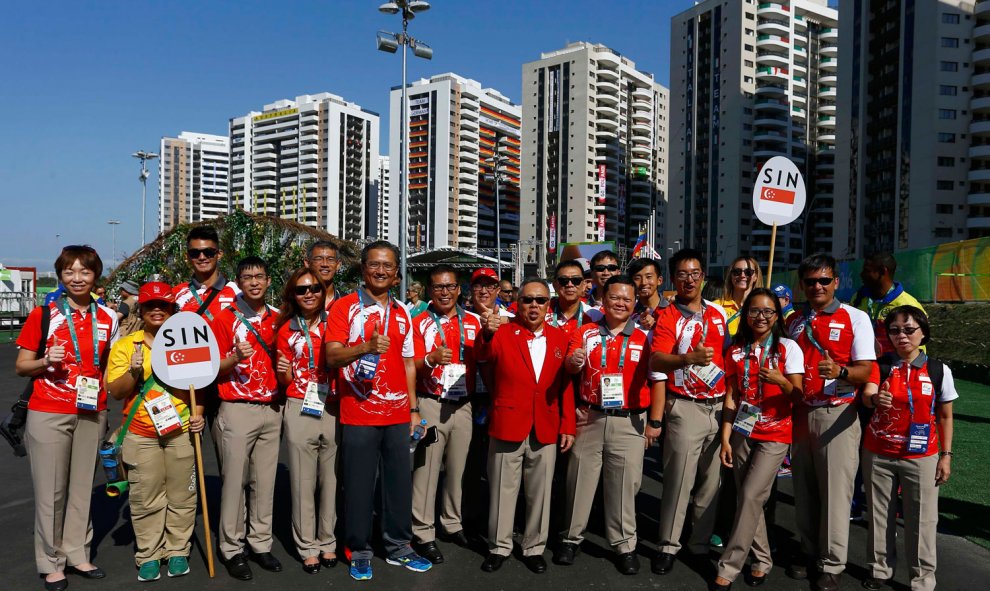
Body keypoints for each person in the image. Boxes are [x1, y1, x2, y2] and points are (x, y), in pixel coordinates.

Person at [326, 241, 432, 581]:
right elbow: (331, 356)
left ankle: (399, 545)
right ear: (363, 268)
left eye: (388, 265)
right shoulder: (344, 308)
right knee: (357, 486)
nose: (381, 271)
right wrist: (365, 348)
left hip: (399, 414)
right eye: (374, 264)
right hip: (358, 411)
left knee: (398, 485)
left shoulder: (403, 312)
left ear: (397, 271)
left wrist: (414, 409)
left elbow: (408, 364)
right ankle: (358, 548)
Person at [15, 245, 119, 591]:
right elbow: (21, 366)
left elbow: (104, 366)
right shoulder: (44, 314)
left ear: (95, 276)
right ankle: (50, 561)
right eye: (70, 271)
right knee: (51, 491)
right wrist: (46, 360)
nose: (78, 278)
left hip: (91, 411)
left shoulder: (108, 317)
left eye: (85, 272)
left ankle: (78, 553)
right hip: (48, 410)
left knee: (80, 490)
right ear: (61, 274)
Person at [557, 276, 666, 574]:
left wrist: (654, 423)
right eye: (614, 298)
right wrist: (574, 361)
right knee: (579, 481)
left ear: (634, 304)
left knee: (624, 486)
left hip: (629, 421)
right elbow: (569, 367)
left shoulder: (646, 338)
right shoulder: (586, 332)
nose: (620, 303)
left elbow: (658, 382)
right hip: (589, 418)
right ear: (603, 302)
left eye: (626, 299)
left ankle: (624, 545)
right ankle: (570, 538)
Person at [105, 282, 205, 582]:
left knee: (183, 495)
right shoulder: (127, 345)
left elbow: (199, 383)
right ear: (142, 309)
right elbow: (115, 391)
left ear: (173, 309)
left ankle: (177, 550)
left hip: (180, 431)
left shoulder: (187, 341)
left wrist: (198, 414)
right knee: (145, 496)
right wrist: (133, 371)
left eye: (164, 304)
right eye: (150, 305)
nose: (157, 310)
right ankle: (149, 553)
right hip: (140, 432)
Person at [787, 253, 876, 591]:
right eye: (810, 281)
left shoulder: (855, 318)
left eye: (824, 280)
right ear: (802, 284)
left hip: (837, 413)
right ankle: (808, 550)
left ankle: (832, 563)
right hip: (799, 413)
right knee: (804, 490)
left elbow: (866, 369)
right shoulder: (794, 319)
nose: (818, 286)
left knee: (836, 493)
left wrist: (840, 371)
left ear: (836, 282)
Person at [476, 278, 576, 574]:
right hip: (508, 422)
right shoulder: (502, 332)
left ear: (549, 304)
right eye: (528, 300)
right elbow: (482, 355)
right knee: (502, 491)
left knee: (540, 492)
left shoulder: (560, 338)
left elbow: (565, 387)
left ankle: (534, 547)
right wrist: (485, 332)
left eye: (541, 300)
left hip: (545, 425)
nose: (534, 305)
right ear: (517, 303)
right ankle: (499, 545)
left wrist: (568, 425)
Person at [713, 288, 804, 590]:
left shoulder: (788, 348)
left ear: (777, 316)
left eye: (768, 311)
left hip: (776, 433)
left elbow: (800, 395)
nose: (761, 317)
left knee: (752, 496)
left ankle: (730, 565)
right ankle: (763, 559)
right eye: (754, 311)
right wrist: (725, 438)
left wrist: (781, 380)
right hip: (742, 429)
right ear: (745, 314)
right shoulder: (735, 351)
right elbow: (731, 396)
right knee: (748, 500)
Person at [860, 306, 955, 591]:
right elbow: (867, 395)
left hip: (922, 456)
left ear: (923, 333)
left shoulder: (939, 370)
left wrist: (946, 457)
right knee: (879, 515)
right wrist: (876, 399)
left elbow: (945, 416)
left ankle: (922, 579)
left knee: (922, 519)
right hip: (879, 452)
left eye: (909, 329)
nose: (902, 336)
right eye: (895, 330)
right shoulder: (881, 365)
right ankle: (879, 570)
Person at [648, 248, 729, 576]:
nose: (690, 279)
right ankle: (668, 544)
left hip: (719, 406)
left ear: (704, 276)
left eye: (695, 273)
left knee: (711, 485)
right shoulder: (668, 316)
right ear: (673, 278)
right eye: (682, 274)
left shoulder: (718, 314)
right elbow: (656, 360)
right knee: (679, 482)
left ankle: (697, 544)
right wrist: (686, 360)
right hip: (685, 407)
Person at [212, 256, 283, 581]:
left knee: (264, 482)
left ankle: (260, 542)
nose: (254, 282)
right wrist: (233, 358)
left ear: (269, 281)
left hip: (271, 408)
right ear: (238, 283)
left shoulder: (280, 319)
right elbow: (211, 368)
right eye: (247, 277)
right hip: (237, 408)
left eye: (260, 276)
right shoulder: (224, 319)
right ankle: (232, 547)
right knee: (234, 483)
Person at [410, 265, 483, 563]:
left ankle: (452, 522)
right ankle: (423, 531)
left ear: (458, 289)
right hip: (430, 402)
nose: (444, 292)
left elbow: (486, 362)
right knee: (426, 472)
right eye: (438, 287)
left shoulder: (475, 322)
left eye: (450, 286)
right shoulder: (419, 322)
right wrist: (430, 359)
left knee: (458, 469)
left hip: (464, 404)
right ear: (429, 290)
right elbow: (410, 366)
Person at [274, 268, 340, 574]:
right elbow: (285, 381)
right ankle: (307, 546)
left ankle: (328, 541)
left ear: (323, 290)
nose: (309, 293)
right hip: (301, 404)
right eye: (301, 290)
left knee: (331, 480)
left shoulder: (337, 322)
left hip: (333, 405)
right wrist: (283, 369)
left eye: (314, 288)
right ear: (293, 296)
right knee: (302, 480)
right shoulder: (287, 329)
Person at [853, 252, 925, 356]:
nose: (862, 274)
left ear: (882, 271)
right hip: (864, 366)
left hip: (893, 369)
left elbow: (918, 348)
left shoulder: (908, 305)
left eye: (867, 270)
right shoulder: (858, 298)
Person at [172, 225, 239, 320]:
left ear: (219, 254)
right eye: (195, 253)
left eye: (208, 252)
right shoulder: (175, 295)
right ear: (187, 257)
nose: (202, 257)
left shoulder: (237, 293)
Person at [715, 256, 764, 338]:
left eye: (748, 272)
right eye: (737, 271)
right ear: (731, 276)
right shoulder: (717, 306)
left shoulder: (764, 308)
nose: (742, 275)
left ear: (755, 276)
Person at [547, 260, 593, 337]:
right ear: (554, 285)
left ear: (584, 285)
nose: (570, 284)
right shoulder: (542, 312)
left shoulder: (594, 316)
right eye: (563, 280)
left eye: (576, 280)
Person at [627, 257, 668, 330]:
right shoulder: (627, 313)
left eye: (649, 277)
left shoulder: (672, 310)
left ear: (659, 280)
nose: (643, 282)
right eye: (637, 278)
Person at [303, 240, 345, 309]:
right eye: (318, 259)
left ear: (338, 265)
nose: (325, 264)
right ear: (307, 263)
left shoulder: (347, 303)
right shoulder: (297, 302)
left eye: (330, 259)